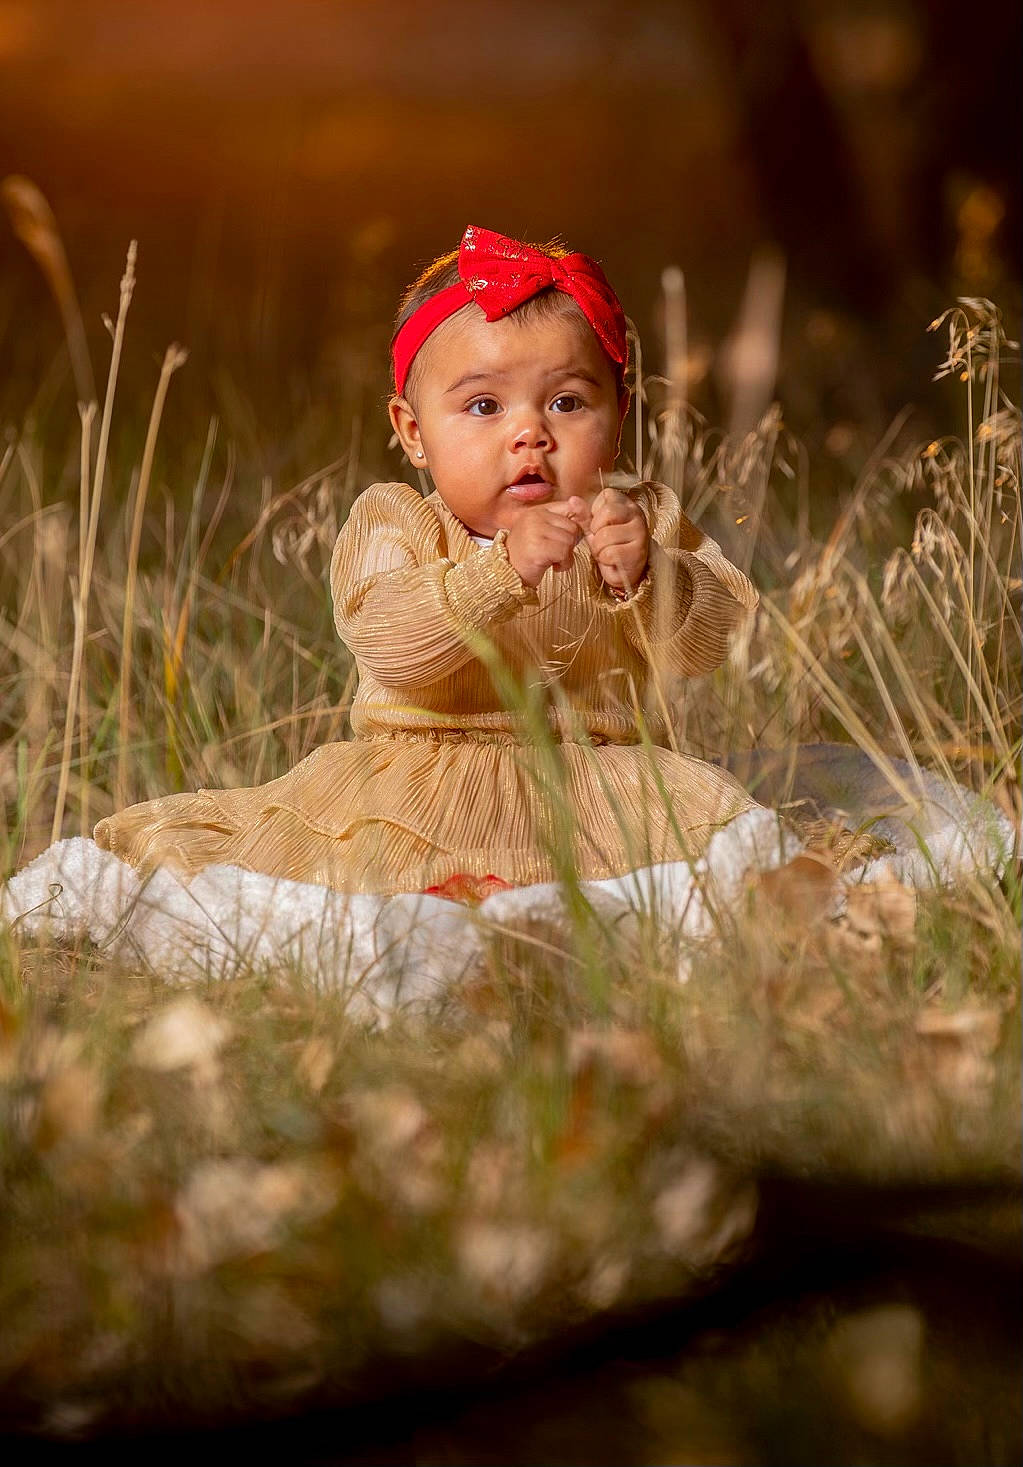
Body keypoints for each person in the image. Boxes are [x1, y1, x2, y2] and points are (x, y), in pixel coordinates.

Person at [94, 225, 760, 895]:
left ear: (616, 421)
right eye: (482, 405)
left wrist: (651, 577)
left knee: (720, 865)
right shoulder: (398, 522)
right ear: (414, 433)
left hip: (599, 780)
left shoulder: (640, 519)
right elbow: (390, 645)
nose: (529, 432)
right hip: (418, 780)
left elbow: (716, 641)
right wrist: (500, 573)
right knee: (362, 876)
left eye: (565, 402)